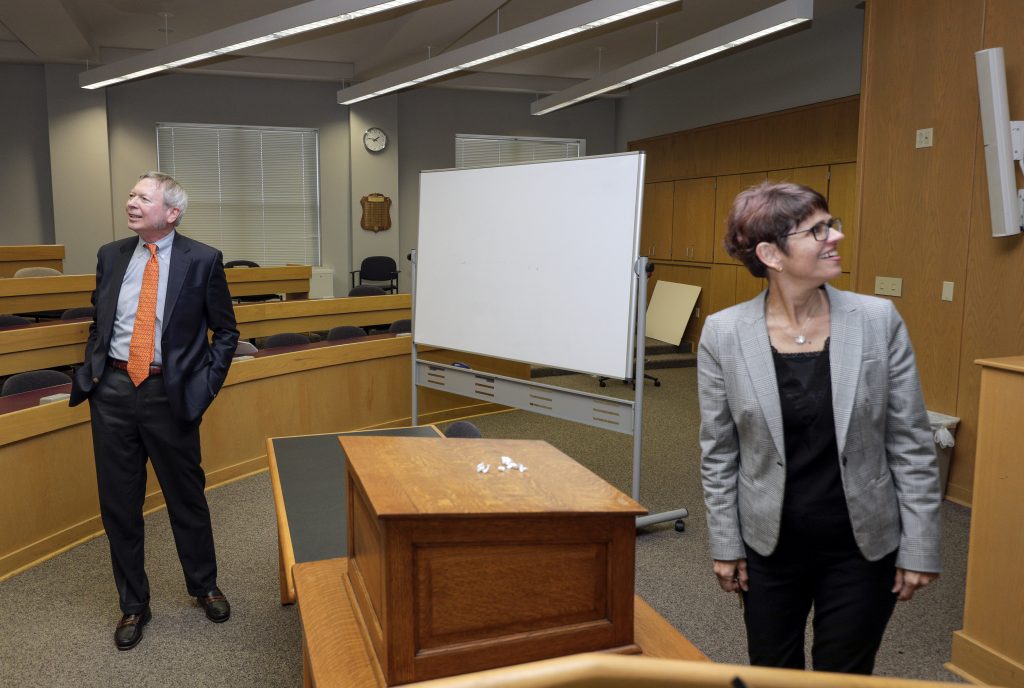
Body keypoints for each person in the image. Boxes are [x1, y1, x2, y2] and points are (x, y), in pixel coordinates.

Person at [696, 182, 941, 674]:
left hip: (861, 543)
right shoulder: (724, 333)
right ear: (771, 253)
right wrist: (725, 543)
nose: (837, 237)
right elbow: (719, 451)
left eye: (832, 224)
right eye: (818, 230)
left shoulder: (877, 320)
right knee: (771, 669)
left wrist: (920, 543)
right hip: (768, 544)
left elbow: (911, 441)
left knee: (844, 673)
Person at [70, 171, 240, 650]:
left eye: (143, 197)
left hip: (172, 393)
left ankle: (203, 585)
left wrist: (204, 387)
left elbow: (225, 332)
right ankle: (133, 605)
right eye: (130, 195)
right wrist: (95, 372)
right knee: (119, 505)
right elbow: (99, 322)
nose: (131, 202)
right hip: (114, 392)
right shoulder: (110, 255)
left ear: (172, 212)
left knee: (186, 495)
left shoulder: (203, 260)